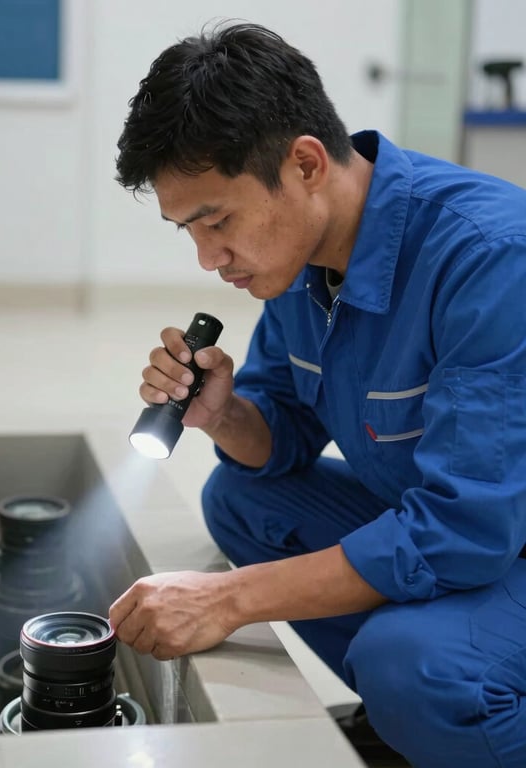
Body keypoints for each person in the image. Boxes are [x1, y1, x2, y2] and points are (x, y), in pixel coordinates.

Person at [107, 21, 526, 768]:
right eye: (188, 233)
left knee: (414, 666)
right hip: (467, 537)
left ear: (304, 164)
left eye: (218, 221)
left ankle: (448, 706)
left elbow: (462, 533)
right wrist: (224, 415)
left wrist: (227, 600)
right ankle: (420, 721)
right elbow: (287, 436)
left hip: (500, 540)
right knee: (240, 501)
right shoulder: (303, 261)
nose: (209, 259)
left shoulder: (488, 259)